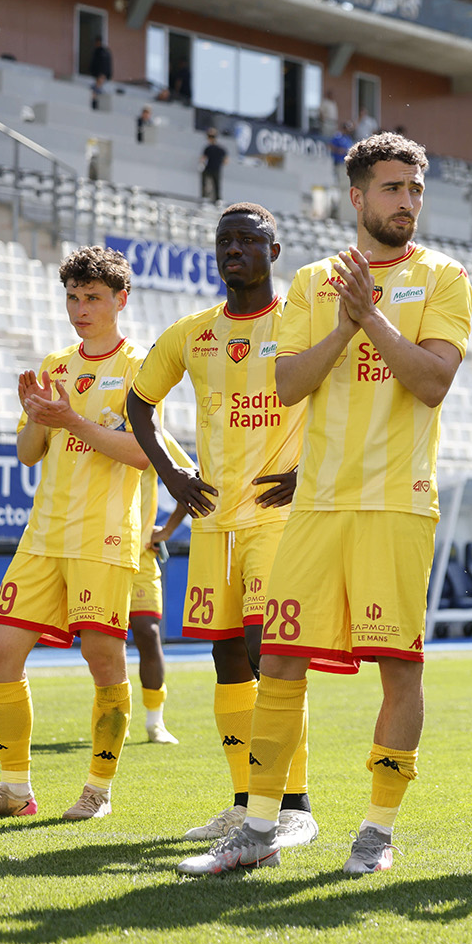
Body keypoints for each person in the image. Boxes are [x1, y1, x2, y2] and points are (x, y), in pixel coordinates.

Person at [176, 134, 472, 877]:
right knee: (276, 661)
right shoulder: (313, 283)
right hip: (315, 507)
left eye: (415, 189)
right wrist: (344, 322)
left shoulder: (444, 276)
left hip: (396, 504)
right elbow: (287, 385)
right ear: (358, 197)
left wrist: (370, 319)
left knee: (399, 670)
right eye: (392, 188)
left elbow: (432, 382)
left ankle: (375, 834)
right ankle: (260, 828)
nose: (406, 201)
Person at [129, 202, 321, 849]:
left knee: (273, 653)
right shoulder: (193, 332)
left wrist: (313, 469)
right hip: (215, 525)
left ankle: (292, 803)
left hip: (278, 519)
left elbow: (346, 393)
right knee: (226, 657)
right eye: (224, 241)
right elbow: (138, 403)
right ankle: (244, 801)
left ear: (274, 248)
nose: (233, 249)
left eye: (247, 239)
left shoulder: (299, 321)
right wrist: (173, 476)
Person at [0, 247, 151, 822]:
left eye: (92, 298)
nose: (80, 309)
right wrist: (37, 415)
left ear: (120, 300)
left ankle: (98, 790)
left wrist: (74, 422)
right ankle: (15, 791)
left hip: (104, 536)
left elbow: (142, 453)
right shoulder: (56, 365)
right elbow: (28, 455)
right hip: (43, 535)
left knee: (103, 659)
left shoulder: (141, 367)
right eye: (73, 297)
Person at [129, 433, 192, 745]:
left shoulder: (151, 430)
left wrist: (167, 529)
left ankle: (155, 721)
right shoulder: (90, 426)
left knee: (148, 632)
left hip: (140, 556)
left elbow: (191, 477)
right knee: (102, 644)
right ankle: (114, 712)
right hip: (96, 555)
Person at [200, 129, 227, 201]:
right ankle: (217, 199)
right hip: (216, 168)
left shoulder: (208, 148)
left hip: (209, 168)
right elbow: (225, 161)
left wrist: (201, 164)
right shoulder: (221, 149)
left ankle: (205, 198)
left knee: (206, 184)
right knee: (216, 185)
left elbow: (203, 159)